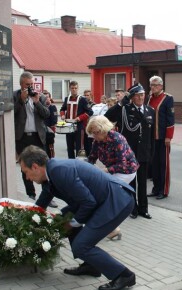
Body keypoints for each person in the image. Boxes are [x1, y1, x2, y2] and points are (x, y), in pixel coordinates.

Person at [19, 146, 136, 290]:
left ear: (35, 167)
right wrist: (29, 218)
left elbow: (89, 202)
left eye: (26, 173)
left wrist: (72, 223)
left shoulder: (58, 171)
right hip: (100, 201)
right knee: (62, 221)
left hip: (116, 202)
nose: (27, 178)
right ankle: (91, 265)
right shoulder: (51, 172)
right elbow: (44, 199)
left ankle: (124, 275)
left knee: (81, 245)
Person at [105, 83, 155, 219]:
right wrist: (121, 103)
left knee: (143, 182)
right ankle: (132, 207)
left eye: (143, 95)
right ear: (132, 97)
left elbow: (152, 135)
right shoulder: (124, 110)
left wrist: (152, 152)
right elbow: (107, 117)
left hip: (144, 151)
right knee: (131, 182)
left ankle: (143, 209)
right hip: (129, 153)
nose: (141, 97)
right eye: (138, 95)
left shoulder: (150, 110)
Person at [13, 72, 50, 200]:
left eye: (31, 84)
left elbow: (46, 115)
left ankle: (48, 195)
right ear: (21, 84)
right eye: (27, 85)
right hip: (22, 137)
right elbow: (11, 114)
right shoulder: (15, 96)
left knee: (44, 165)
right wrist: (21, 101)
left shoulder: (39, 96)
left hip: (38, 137)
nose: (30, 87)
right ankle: (31, 195)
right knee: (25, 166)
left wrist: (37, 102)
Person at [146, 76, 175, 200]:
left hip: (163, 137)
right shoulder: (149, 99)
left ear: (161, 86)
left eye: (155, 85)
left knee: (163, 164)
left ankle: (164, 190)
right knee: (154, 165)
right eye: (151, 85)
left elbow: (171, 119)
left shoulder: (168, 98)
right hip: (152, 138)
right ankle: (156, 188)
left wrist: (168, 137)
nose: (153, 87)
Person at [60, 81, 93, 159]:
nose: (74, 90)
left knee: (79, 147)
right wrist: (63, 115)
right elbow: (62, 109)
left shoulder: (82, 99)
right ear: (69, 89)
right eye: (72, 88)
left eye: (75, 88)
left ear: (78, 88)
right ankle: (71, 163)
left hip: (79, 126)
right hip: (68, 126)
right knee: (69, 146)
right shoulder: (66, 98)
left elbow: (90, 112)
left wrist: (80, 118)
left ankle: (78, 163)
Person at [42, 90, 58, 159]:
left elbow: (54, 120)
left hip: (49, 131)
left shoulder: (52, 107)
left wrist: (51, 131)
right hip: (41, 131)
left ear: (50, 98)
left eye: (47, 97)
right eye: (44, 97)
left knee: (50, 148)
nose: (46, 99)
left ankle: (51, 159)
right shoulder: (41, 107)